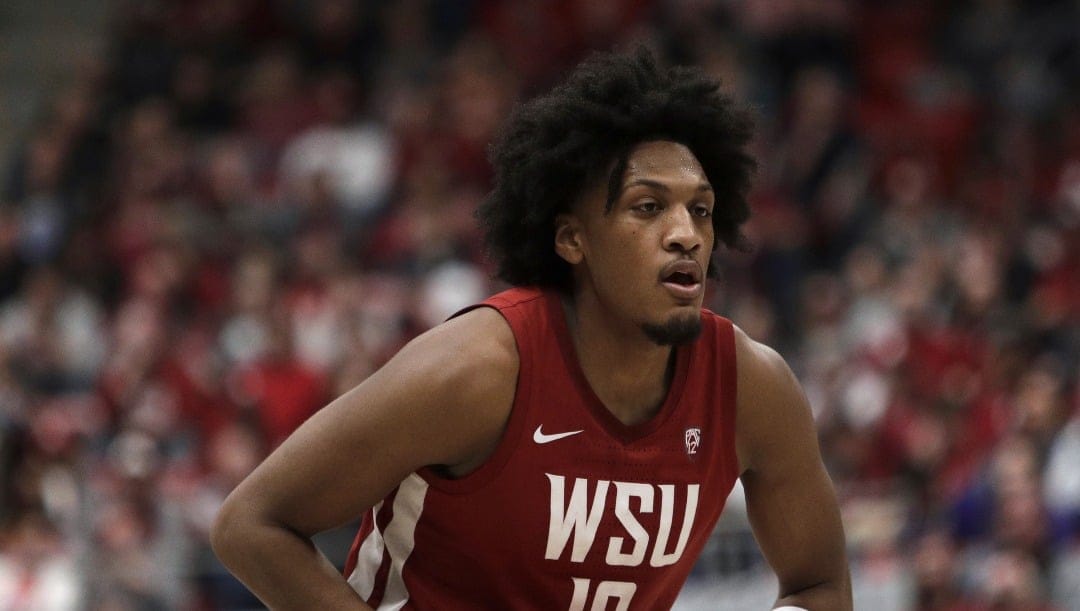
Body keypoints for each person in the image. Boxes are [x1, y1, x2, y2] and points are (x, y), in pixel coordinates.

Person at [211, 47, 852, 610]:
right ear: (573, 237)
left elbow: (819, 586)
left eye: (702, 211)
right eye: (648, 207)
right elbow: (251, 525)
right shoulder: (478, 370)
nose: (686, 234)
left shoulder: (751, 389)